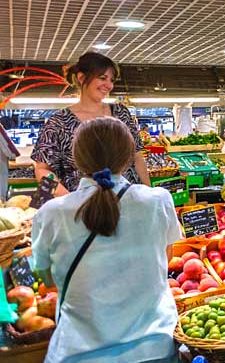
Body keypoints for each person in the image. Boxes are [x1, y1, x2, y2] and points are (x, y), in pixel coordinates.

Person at [31, 117, 182, 362]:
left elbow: (45, 279)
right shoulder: (158, 201)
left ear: (77, 159)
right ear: (128, 158)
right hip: (154, 348)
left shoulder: (49, 214)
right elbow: (166, 259)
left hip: (77, 352)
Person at [32, 52, 150, 196]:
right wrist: (67, 200)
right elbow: (42, 169)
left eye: (112, 80)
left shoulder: (121, 113)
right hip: (83, 209)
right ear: (81, 78)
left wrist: (148, 194)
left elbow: (137, 157)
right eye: (103, 78)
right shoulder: (58, 123)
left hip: (128, 201)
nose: (109, 85)